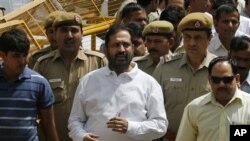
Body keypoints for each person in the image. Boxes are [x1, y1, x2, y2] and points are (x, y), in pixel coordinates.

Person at [68, 24, 168, 141]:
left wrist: (130, 127)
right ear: (106, 50)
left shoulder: (149, 83)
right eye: (116, 45)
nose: (121, 50)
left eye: (126, 45)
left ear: (132, 48)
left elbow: (161, 125)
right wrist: (82, 136)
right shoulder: (89, 81)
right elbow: (75, 120)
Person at [34, 12, 107, 141]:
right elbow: (34, 103)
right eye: (63, 31)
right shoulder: (43, 65)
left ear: (82, 34)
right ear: (55, 35)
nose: (69, 36)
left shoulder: (99, 62)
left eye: (74, 30)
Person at [153, 12, 216, 141]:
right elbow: (151, 105)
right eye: (187, 37)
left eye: (198, 37)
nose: (192, 43)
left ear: (209, 39)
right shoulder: (166, 67)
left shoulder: (219, 69)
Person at [0, 28, 59, 141]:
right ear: (3, 55)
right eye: (16, 56)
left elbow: (48, 125)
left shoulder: (39, 83)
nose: (23, 61)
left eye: (25, 55)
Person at [176, 56, 250, 141]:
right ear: (209, 80)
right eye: (216, 80)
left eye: (227, 79)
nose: (221, 84)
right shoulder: (194, 108)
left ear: (237, 79)